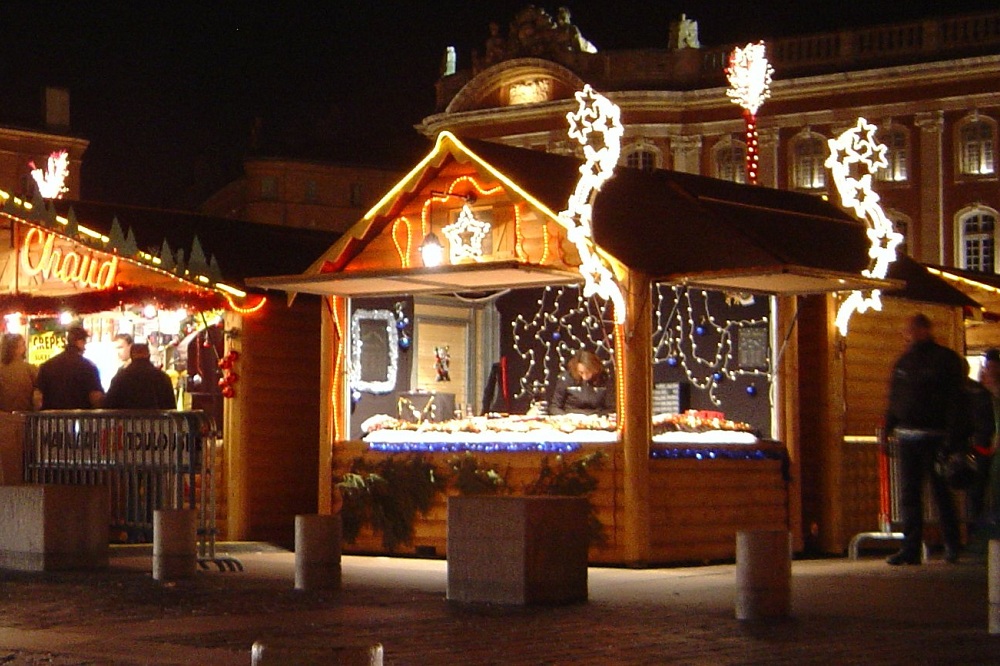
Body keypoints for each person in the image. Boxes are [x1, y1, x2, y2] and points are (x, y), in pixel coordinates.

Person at [882, 313, 965, 565]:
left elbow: (954, 400)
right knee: (911, 494)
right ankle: (911, 547)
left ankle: (950, 544)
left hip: (935, 435)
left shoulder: (942, 360)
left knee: (939, 492)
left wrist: (953, 438)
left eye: (912, 329)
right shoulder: (904, 362)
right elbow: (895, 400)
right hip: (909, 435)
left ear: (924, 330)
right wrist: (887, 429)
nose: (908, 334)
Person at [36, 325, 104, 410]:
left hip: (52, 419)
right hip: (79, 419)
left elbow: (37, 398)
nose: (85, 348)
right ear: (79, 342)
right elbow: (96, 397)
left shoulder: (47, 365)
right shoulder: (88, 367)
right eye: (84, 342)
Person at [104, 343, 176, 409]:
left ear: (131, 356)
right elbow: (171, 407)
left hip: (127, 421)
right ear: (148, 355)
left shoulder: (120, 377)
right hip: (156, 422)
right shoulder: (162, 377)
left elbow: (109, 405)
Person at [549, 349, 615, 415]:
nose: (584, 377)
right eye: (581, 373)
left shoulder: (603, 379)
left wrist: (598, 417)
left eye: (588, 372)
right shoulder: (567, 378)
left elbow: (611, 407)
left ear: (595, 369)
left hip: (597, 419)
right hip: (571, 419)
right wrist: (566, 418)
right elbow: (555, 407)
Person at [0, 333, 38, 411]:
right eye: (23, 345)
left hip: (3, 419)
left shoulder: (1, 370)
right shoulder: (29, 369)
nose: (26, 348)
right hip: (25, 418)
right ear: (15, 349)